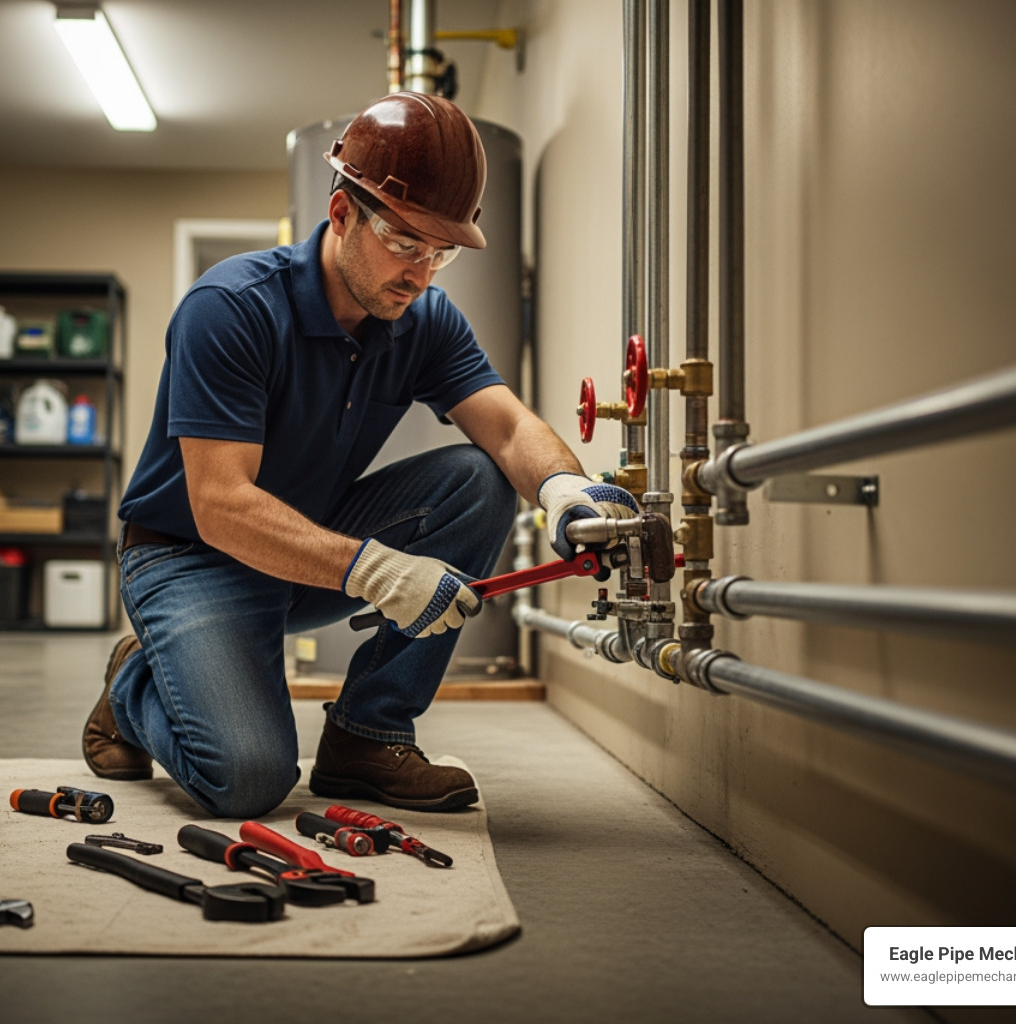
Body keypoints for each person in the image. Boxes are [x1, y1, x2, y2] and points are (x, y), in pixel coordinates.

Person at [82, 92, 639, 818]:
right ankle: (134, 683)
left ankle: (367, 738)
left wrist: (566, 489)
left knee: (478, 481)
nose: (421, 273)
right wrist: (377, 571)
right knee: (248, 780)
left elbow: (506, 429)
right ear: (342, 213)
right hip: (191, 557)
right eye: (405, 243)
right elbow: (221, 505)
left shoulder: (422, 317)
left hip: (306, 545)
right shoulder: (232, 308)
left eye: (440, 252)